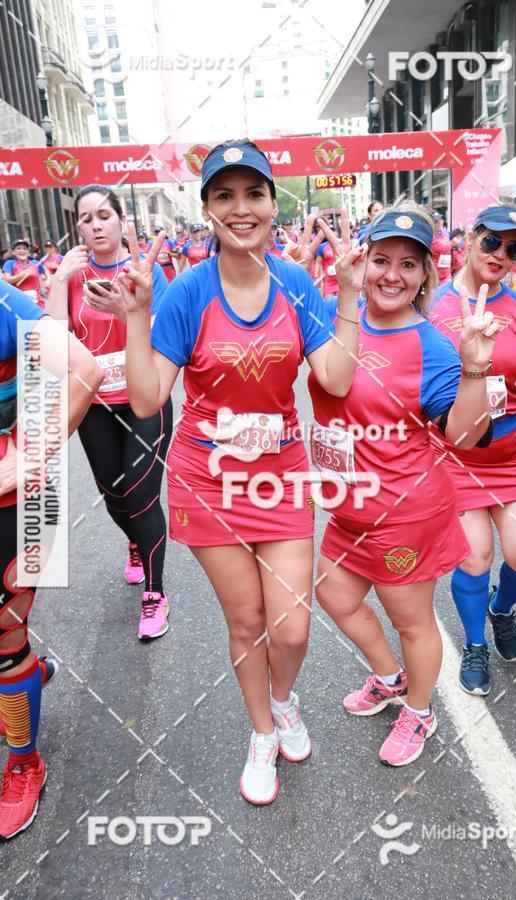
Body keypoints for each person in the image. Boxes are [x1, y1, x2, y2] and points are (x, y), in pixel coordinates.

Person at [119, 138, 364, 805]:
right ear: (207, 210)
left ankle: (283, 701)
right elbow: (145, 400)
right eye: (224, 195)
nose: (241, 207)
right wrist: (138, 315)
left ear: (270, 202)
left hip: (280, 475)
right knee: (246, 620)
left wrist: (345, 294)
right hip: (208, 479)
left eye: (253, 193)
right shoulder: (189, 293)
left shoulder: (294, 283)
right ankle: (261, 733)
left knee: (292, 626)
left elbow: (335, 377)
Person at [309, 205, 498, 766]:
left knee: (410, 619)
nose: (392, 275)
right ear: (361, 261)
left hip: (404, 511)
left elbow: (464, 437)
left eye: (408, 265)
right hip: (348, 505)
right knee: (335, 595)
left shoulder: (433, 346)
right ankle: (391, 678)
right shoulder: (333, 316)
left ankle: (420, 711)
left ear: (425, 277)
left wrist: (474, 370)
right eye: (381, 260)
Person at [47, 186, 173, 641]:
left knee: (142, 496)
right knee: (114, 495)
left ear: (122, 221)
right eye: (86, 218)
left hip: (144, 400)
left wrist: (128, 310)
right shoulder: (71, 275)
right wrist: (60, 282)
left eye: (104, 215)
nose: (96, 224)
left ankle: (156, 594)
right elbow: (52, 349)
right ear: (78, 227)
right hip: (95, 405)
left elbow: (164, 339)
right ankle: (136, 544)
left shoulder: (145, 270)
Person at [0, 283, 103, 838]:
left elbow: (85, 370)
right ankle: (32, 679)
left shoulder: (4, 302)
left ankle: (23, 764)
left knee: (3, 644)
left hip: (10, 507)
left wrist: (29, 457)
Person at [430, 203, 516, 696]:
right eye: (492, 241)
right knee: (474, 557)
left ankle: (501, 608)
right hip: (456, 456)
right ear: (471, 238)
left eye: (514, 249)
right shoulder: (432, 307)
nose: (502, 254)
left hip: (515, 452)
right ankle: (475, 643)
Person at [2, 239, 47, 306]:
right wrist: (23, 274)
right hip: (19, 303)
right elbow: (6, 281)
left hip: (37, 302)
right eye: (18, 248)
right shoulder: (9, 263)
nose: (22, 251)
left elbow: (45, 274)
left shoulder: (35, 264)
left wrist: (47, 280)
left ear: (28, 252)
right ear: (14, 252)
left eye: (24, 248)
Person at [431, 212, 453, 285]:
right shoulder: (430, 236)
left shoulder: (444, 232)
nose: (440, 222)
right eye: (437, 221)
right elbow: (441, 247)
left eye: (441, 220)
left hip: (447, 272)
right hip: (434, 274)